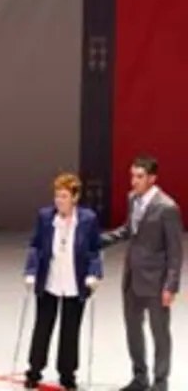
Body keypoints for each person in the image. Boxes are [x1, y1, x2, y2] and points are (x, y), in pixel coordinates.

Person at [101, 155, 183, 391]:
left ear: (152, 178)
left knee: (160, 334)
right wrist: (99, 241)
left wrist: (171, 285)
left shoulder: (167, 208)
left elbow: (175, 251)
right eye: (132, 175)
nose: (134, 181)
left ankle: (160, 382)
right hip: (132, 279)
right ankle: (139, 377)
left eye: (139, 176)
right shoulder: (132, 199)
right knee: (133, 330)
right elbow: (129, 229)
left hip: (156, 283)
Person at [22, 173, 103, 390]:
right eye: (57, 196)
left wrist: (94, 273)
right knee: (42, 327)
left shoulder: (88, 219)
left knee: (70, 330)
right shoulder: (46, 217)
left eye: (64, 196)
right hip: (50, 280)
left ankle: (68, 374)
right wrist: (31, 271)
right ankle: (34, 370)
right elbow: (36, 245)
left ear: (75, 198)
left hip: (75, 282)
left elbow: (95, 250)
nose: (59, 201)